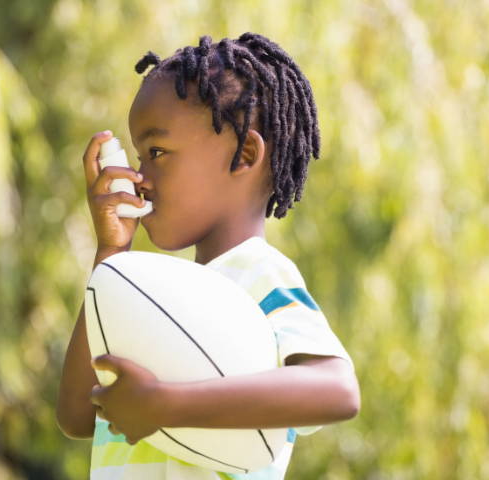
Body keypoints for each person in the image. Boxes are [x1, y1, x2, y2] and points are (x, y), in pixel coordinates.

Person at [56, 32, 361, 480]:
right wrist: (111, 253)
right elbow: (77, 417)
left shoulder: (258, 273)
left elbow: (337, 390)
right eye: (139, 157)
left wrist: (165, 405)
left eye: (157, 153)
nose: (139, 177)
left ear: (244, 155)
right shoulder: (150, 296)